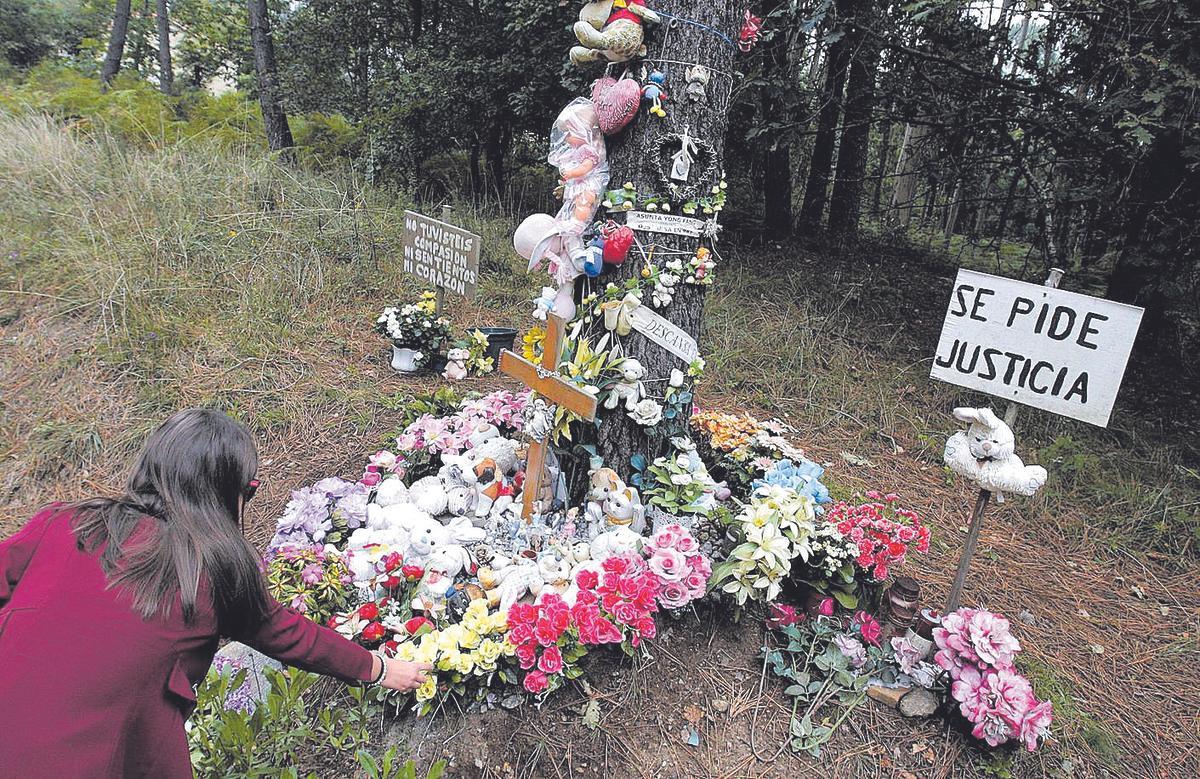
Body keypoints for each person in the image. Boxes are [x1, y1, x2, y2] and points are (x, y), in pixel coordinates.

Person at [0, 408, 433, 777]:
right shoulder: (211, 568)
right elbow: (289, 634)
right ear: (229, 492)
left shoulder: (65, 522)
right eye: (249, 489)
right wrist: (378, 668)